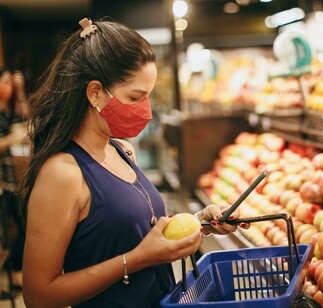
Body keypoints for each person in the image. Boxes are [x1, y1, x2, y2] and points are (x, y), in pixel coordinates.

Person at [21, 18, 248, 308]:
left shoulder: (122, 151)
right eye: (135, 97)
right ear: (95, 93)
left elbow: (133, 232)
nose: (146, 110)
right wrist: (137, 260)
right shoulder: (63, 173)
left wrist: (200, 222)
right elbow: (39, 295)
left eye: (148, 97)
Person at [0, 68, 28, 293]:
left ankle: (17, 277)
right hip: (4, 181)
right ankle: (11, 278)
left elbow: (25, 119)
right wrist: (11, 139)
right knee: (11, 231)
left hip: (16, 179)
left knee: (20, 228)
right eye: (5, 82)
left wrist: (20, 93)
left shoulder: (9, 110)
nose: (7, 87)